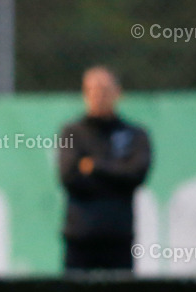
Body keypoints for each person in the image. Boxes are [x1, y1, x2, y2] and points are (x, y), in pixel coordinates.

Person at [58, 66, 151, 272]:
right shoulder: (72, 132)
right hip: (80, 238)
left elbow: (135, 175)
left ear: (118, 93)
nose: (99, 96)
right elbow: (69, 177)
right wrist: (116, 175)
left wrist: (95, 166)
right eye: (93, 89)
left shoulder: (135, 134)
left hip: (119, 237)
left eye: (105, 90)